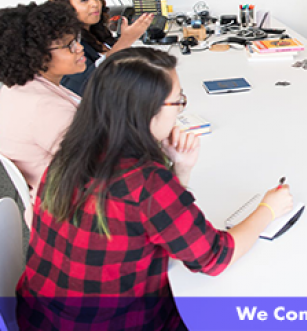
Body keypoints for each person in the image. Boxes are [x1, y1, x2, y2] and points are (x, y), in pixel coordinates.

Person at [16, 48, 293, 330]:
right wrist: (268, 209)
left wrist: (180, 169)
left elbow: (149, 222)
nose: (180, 111)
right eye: (178, 102)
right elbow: (215, 257)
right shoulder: (144, 182)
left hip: (40, 316)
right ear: (148, 111)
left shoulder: (70, 154)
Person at [0, 2, 85, 212]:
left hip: (52, 200)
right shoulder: (45, 108)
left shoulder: (16, 89)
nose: (79, 48)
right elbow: (102, 166)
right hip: (74, 212)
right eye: (68, 45)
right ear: (34, 55)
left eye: (77, 40)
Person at [49, 0, 153, 96]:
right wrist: (125, 41)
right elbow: (89, 85)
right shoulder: (64, 46)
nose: (95, 3)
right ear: (65, 6)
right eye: (84, 0)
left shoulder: (99, 34)